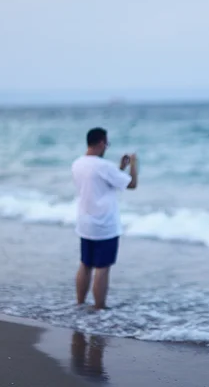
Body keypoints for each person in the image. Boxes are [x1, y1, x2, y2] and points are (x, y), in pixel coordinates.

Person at [71, 127, 138, 310]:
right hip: (104, 224)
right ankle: (99, 308)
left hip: (85, 222)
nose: (106, 147)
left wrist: (120, 168)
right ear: (101, 143)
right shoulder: (103, 166)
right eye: (106, 143)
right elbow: (131, 184)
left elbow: (101, 181)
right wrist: (134, 164)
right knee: (102, 267)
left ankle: (79, 303)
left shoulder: (77, 164)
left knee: (85, 264)